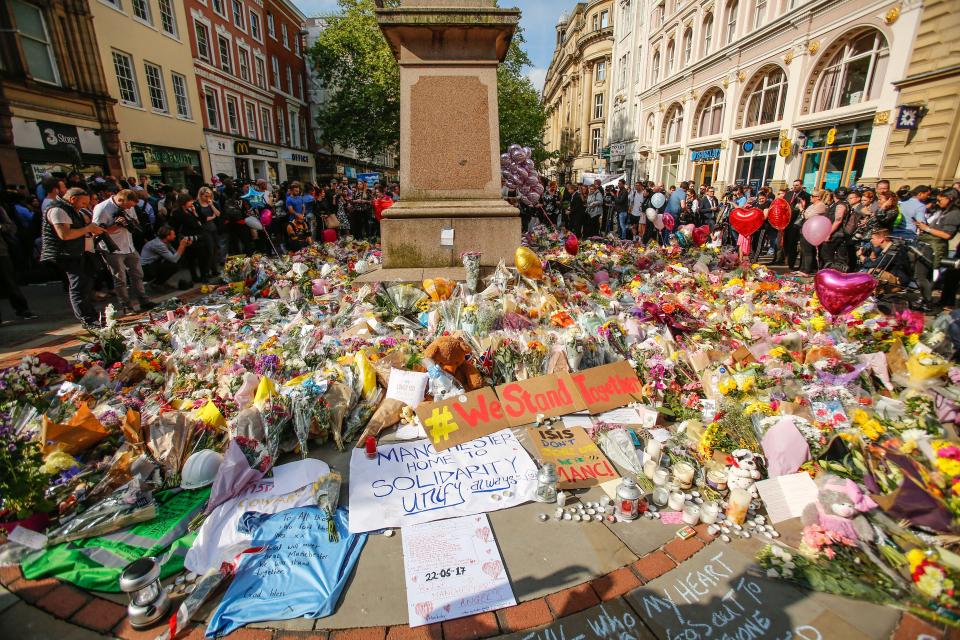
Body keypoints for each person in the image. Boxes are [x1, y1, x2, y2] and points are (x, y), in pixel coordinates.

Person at [41, 187, 106, 327]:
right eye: (83, 203)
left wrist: (92, 231)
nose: (85, 206)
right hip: (66, 254)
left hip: (79, 252)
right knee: (78, 285)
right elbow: (65, 235)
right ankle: (87, 319)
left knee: (86, 283)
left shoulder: (72, 210)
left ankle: (91, 316)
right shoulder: (58, 210)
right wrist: (88, 228)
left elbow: (78, 231)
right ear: (73, 199)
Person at [92, 188, 156, 314]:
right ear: (120, 199)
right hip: (113, 248)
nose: (129, 208)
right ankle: (126, 306)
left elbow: (135, 222)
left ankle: (144, 300)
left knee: (138, 275)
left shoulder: (129, 206)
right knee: (120, 279)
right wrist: (116, 225)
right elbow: (96, 231)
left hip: (129, 245)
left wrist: (130, 222)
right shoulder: (102, 208)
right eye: (127, 206)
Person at [916, 188, 960, 309]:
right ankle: (926, 300)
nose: (938, 201)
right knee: (923, 275)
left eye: (940, 199)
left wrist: (927, 229)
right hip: (928, 245)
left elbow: (947, 235)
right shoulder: (943, 211)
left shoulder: (954, 213)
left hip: (935, 248)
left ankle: (928, 302)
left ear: (949, 198)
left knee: (924, 276)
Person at [0, 205, 38, 321]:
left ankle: (23, 309)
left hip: (1, 252)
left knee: (9, 281)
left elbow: (11, 227)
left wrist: (1, 226)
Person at [170, 194, 211, 283]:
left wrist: (195, 212)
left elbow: (199, 221)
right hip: (187, 238)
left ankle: (204, 275)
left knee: (202, 257)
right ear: (183, 203)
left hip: (198, 237)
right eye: (189, 201)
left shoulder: (190, 210)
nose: (191, 202)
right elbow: (177, 226)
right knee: (191, 259)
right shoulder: (177, 213)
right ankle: (194, 277)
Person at [140, 225, 192, 289]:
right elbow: (174, 259)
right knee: (174, 265)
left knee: (177, 261)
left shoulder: (165, 242)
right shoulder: (159, 244)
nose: (175, 236)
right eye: (173, 234)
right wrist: (181, 246)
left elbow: (176, 255)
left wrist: (184, 246)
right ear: (167, 236)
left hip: (153, 264)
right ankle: (156, 283)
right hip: (146, 269)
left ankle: (160, 281)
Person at [798, 190, 827, 275]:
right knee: (803, 250)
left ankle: (807, 270)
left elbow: (807, 216)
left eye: (812, 196)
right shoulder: (812, 205)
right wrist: (803, 210)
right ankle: (802, 269)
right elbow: (805, 215)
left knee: (808, 250)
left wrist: (802, 209)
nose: (810, 197)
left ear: (818, 197)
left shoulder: (821, 205)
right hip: (805, 228)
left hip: (812, 231)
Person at [196, 186, 222, 274]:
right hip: (204, 229)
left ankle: (214, 269)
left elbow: (218, 214)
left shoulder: (212, 203)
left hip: (213, 228)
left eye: (210, 196)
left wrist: (211, 205)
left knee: (215, 249)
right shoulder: (197, 204)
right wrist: (211, 217)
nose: (208, 198)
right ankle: (206, 271)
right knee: (209, 250)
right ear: (201, 195)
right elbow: (200, 218)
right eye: (206, 196)